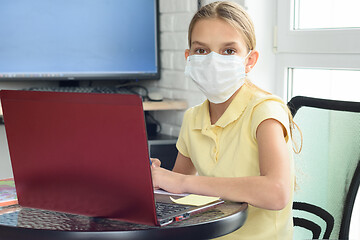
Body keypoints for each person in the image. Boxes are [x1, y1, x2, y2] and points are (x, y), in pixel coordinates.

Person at [151, 1, 300, 239]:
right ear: (188, 57)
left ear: (249, 61)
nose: (213, 60)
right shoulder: (193, 118)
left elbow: (277, 192)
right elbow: (177, 193)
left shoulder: (265, 111)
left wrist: (181, 183)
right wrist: (154, 179)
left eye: (228, 51)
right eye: (201, 50)